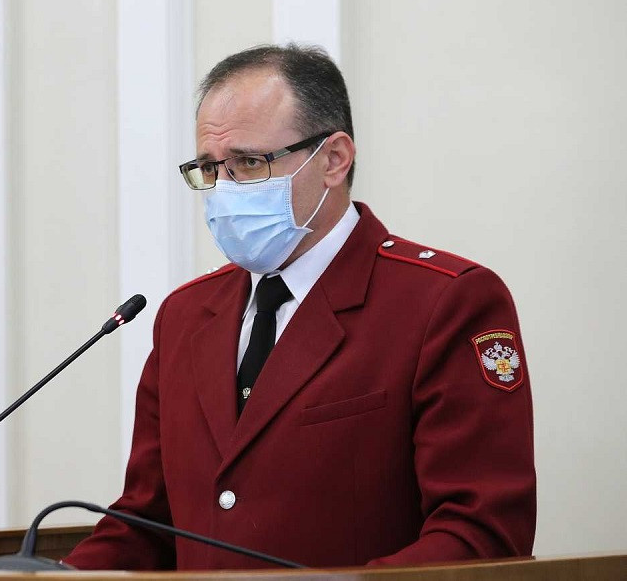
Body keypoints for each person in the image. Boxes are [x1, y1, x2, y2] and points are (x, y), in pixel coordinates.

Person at [63, 44, 536, 570]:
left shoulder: (442, 303)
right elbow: (149, 524)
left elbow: (482, 535)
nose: (223, 191)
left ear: (333, 159)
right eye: (209, 168)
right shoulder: (185, 316)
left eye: (248, 163)